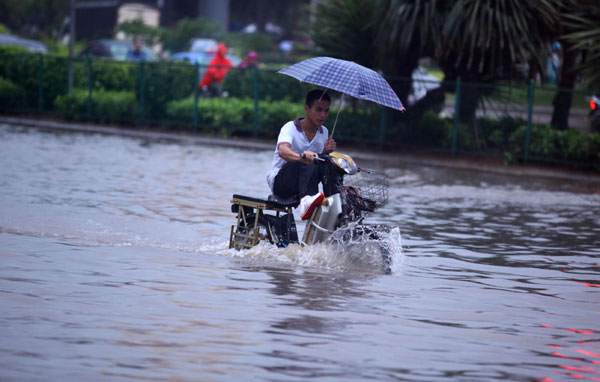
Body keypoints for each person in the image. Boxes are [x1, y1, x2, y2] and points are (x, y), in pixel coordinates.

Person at [266, 89, 337, 220]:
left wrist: (325, 153)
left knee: (330, 164)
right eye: (318, 109)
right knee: (308, 160)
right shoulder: (290, 128)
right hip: (282, 183)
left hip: (307, 182)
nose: (323, 115)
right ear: (307, 109)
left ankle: (335, 205)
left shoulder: (324, 132)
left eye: (326, 111)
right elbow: (283, 151)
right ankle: (304, 199)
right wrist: (302, 156)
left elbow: (318, 161)